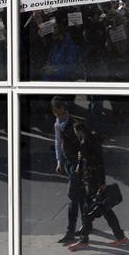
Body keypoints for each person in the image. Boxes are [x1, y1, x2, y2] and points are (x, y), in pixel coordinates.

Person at [68, 121, 129, 251]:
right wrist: (102, 181)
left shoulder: (86, 143)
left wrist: (98, 181)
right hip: (95, 181)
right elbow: (98, 162)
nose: (76, 135)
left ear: (80, 132)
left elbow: (94, 163)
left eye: (76, 132)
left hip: (92, 182)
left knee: (88, 211)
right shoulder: (93, 141)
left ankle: (84, 240)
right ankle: (120, 237)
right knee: (106, 210)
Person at [51, 97, 84, 244]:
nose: (60, 116)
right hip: (69, 163)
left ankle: (71, 231)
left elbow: (83, 145)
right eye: (57, 114)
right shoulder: (57, 124)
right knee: (80, 195)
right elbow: (58, 142)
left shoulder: (75, 123)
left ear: (66, 110)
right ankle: (86, 225)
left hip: (77, 164)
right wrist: (59, 161)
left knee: (73, 196)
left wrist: (79, 163)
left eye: (62, 113)